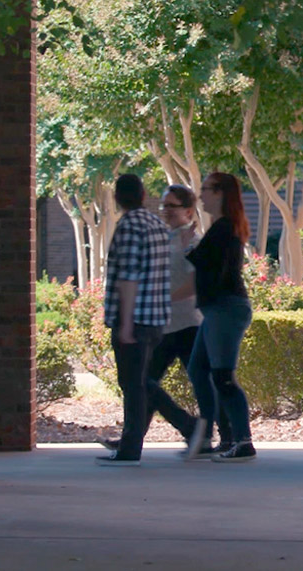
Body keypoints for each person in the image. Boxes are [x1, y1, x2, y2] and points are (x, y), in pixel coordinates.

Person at [99, 184, 232, 459]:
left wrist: (163, 297)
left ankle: (226, 437)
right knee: (145, 381)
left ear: (188, 210)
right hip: (165, 326)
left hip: (188, 325)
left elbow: (197, 282)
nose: (165, 211)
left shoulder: (194, 241)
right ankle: (132, 439)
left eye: (171, 206)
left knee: (198, 382)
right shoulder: (167, 237)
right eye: (163, 205)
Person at [96, 174, 171, 467]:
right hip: (156, 318)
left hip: (135, 319)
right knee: (141, 382)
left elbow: (128, 278)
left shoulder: (128, 226)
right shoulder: (156, 225)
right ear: (142, 194)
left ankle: (131, 447)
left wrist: (124, 323)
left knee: (133, 384)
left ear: (118, 198)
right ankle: (186, 426)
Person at [186, 172, 257, 463]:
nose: (200, 195)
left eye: (205, 190)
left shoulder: (224, 228)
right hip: (219, 308)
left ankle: (243, 441)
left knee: (223, 377)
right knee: (198, 368)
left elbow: (199, 263)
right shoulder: (222, 227)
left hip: (225, 308)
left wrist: (183, 243)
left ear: (220, 193)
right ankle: (226, 434)